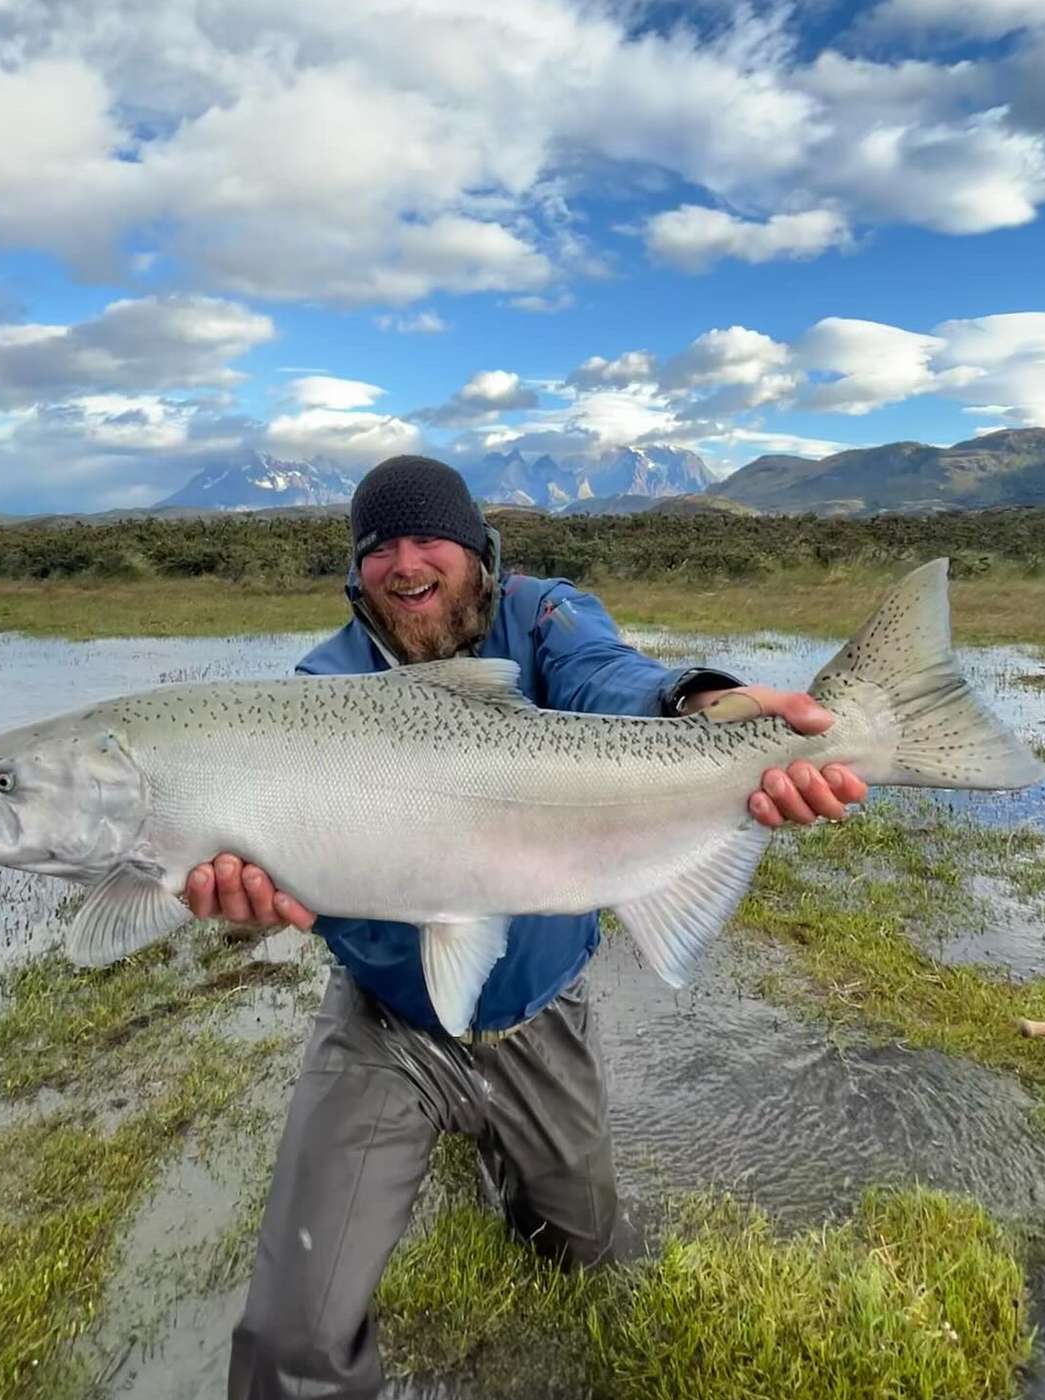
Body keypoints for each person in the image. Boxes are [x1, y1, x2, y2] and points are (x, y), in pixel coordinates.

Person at [193, 455, 868, 1400]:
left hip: (538, 1011)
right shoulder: (322, 689)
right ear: (357, 574)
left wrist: (699, 706)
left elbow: (608, 679)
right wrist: (246, 900)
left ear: (478, 552)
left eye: (428, 538)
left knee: (583, 1255)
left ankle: (507, 1160)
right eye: (378, 547)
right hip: (389, 1017)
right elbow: (266, 866)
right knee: (287, 1333)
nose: (404, 562)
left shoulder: (545, 614)